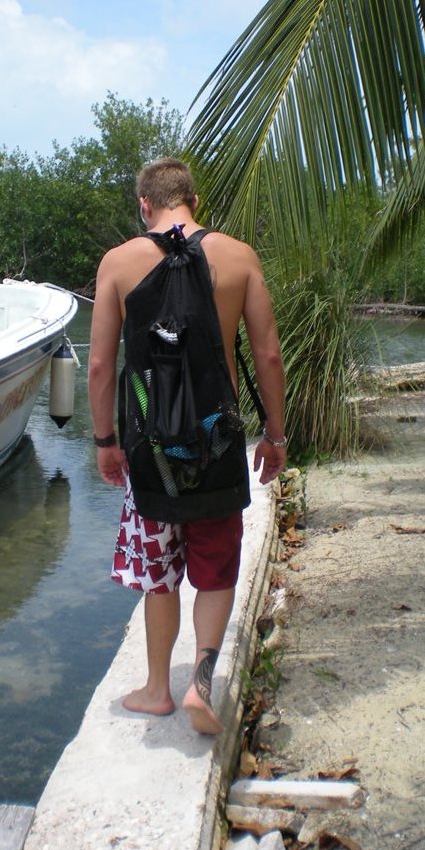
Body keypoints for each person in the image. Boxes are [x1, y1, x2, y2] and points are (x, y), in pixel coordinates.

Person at [88, 158, 286, 735]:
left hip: (150, 449)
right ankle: (201, 678)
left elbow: (100, 365)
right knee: (216, 567)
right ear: (193, 200)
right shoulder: (239, 257)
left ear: (143, 205)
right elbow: (269, 356)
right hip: (218, 441)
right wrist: (274, 435)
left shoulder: (118, 263)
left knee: (159, 571)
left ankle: (156, 691)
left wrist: (105, 442)